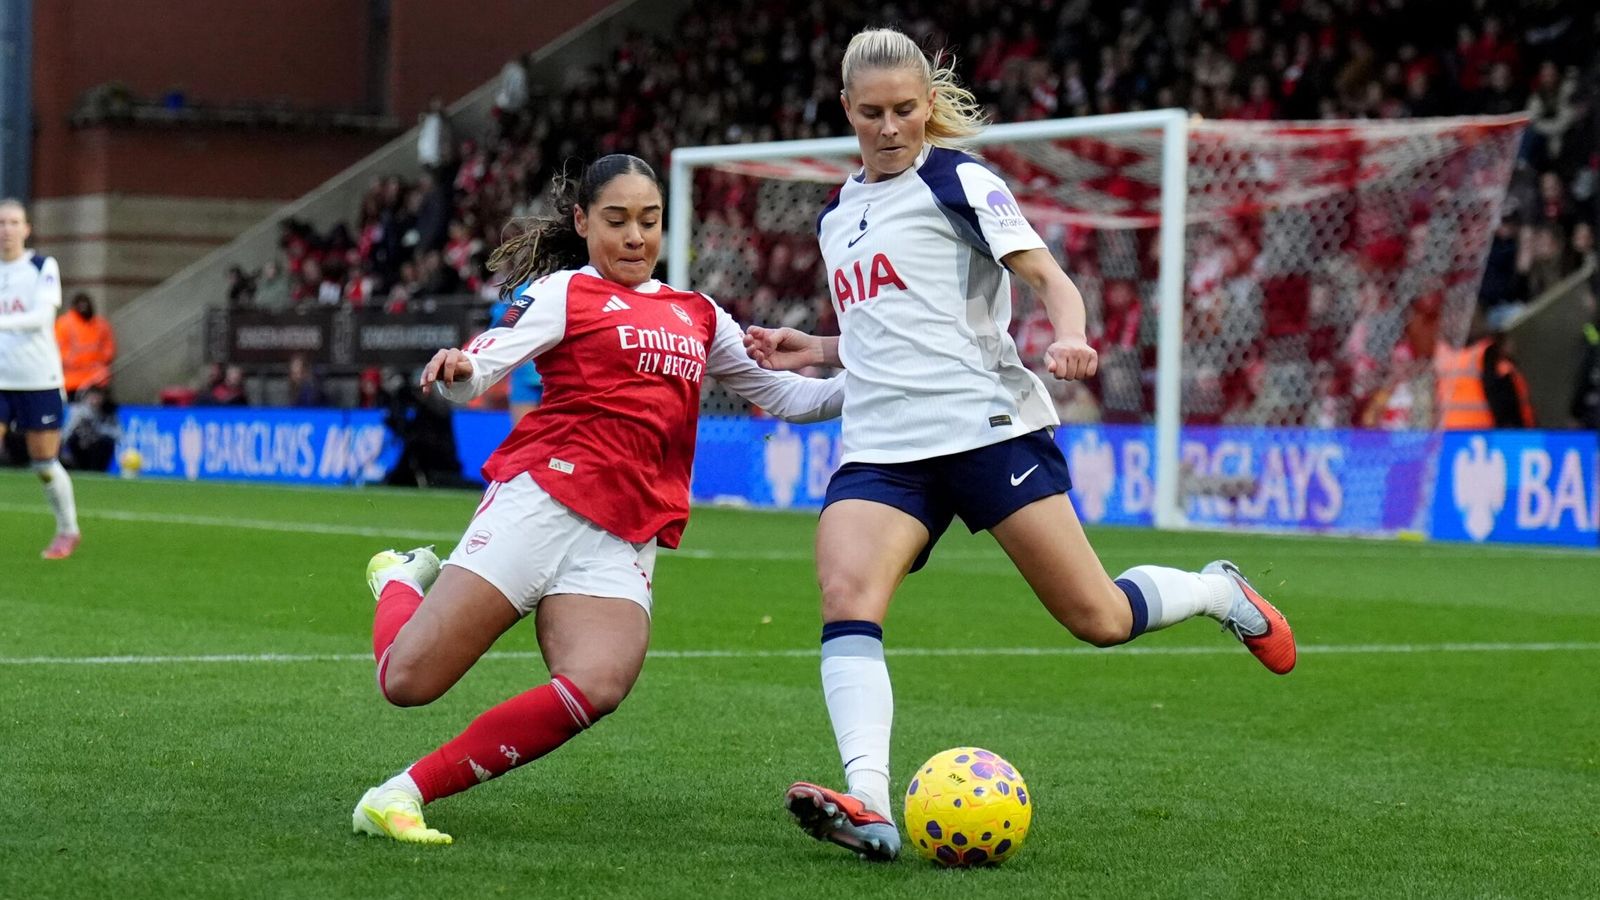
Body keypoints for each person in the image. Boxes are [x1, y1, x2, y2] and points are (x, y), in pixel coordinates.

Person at [742, 29, 1296, 862]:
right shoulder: (836, 215)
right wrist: (816, 348)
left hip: (983, 427)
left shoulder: (958, 179)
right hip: (884, 446)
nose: (891, 128)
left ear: (928, 104)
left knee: (1099, 618)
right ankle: (869, 798)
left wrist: (1070, 337)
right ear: (845, 111)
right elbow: (888, 328)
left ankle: (1218, 592)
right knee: (845, 590)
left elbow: (1049, 279)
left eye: (905, 110)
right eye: (872, 114)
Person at [350, 154, 843, 845]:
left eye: (649, 221)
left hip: (625, 534)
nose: (635, 236)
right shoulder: (564, 293)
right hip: (541, 503)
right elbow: (486, 360)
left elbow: (784, 396)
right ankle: (400, 582)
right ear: (583, 223)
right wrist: (462, 369)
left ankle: (401, 793)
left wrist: (875, 384)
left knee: (599, 682)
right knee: (406, 681)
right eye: (616, 221)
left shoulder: (698, 313)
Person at [0, 198, 81, 559]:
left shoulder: (41, 266)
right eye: (1, 223)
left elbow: (42, 319)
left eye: (14, 222)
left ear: (26, 229)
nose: (7, 230)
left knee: (43, 462)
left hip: (37, 378)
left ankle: (68, 529)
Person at [56, 292, 116, 399]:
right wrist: (72, 361)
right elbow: (58, 348)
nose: (84, 308)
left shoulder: (101, 324)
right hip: (73, 381)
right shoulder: (64, 324)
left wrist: (101, 361)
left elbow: (109, 347)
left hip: (97, 379)